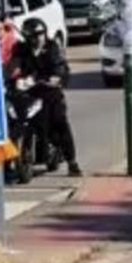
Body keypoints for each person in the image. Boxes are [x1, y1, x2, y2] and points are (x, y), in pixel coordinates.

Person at [9, 17, 81, 177]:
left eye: (41, 34)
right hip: (29, 92)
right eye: (34, 35)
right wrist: (13, 77)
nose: (39, 38)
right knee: (13, 117)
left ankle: (72, 162)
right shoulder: (21, 49)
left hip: (49, 91)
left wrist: (56, 77)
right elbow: (13, 66)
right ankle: (10, 161)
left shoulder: (52, 47)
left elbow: (60, 67)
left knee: (59, 122)